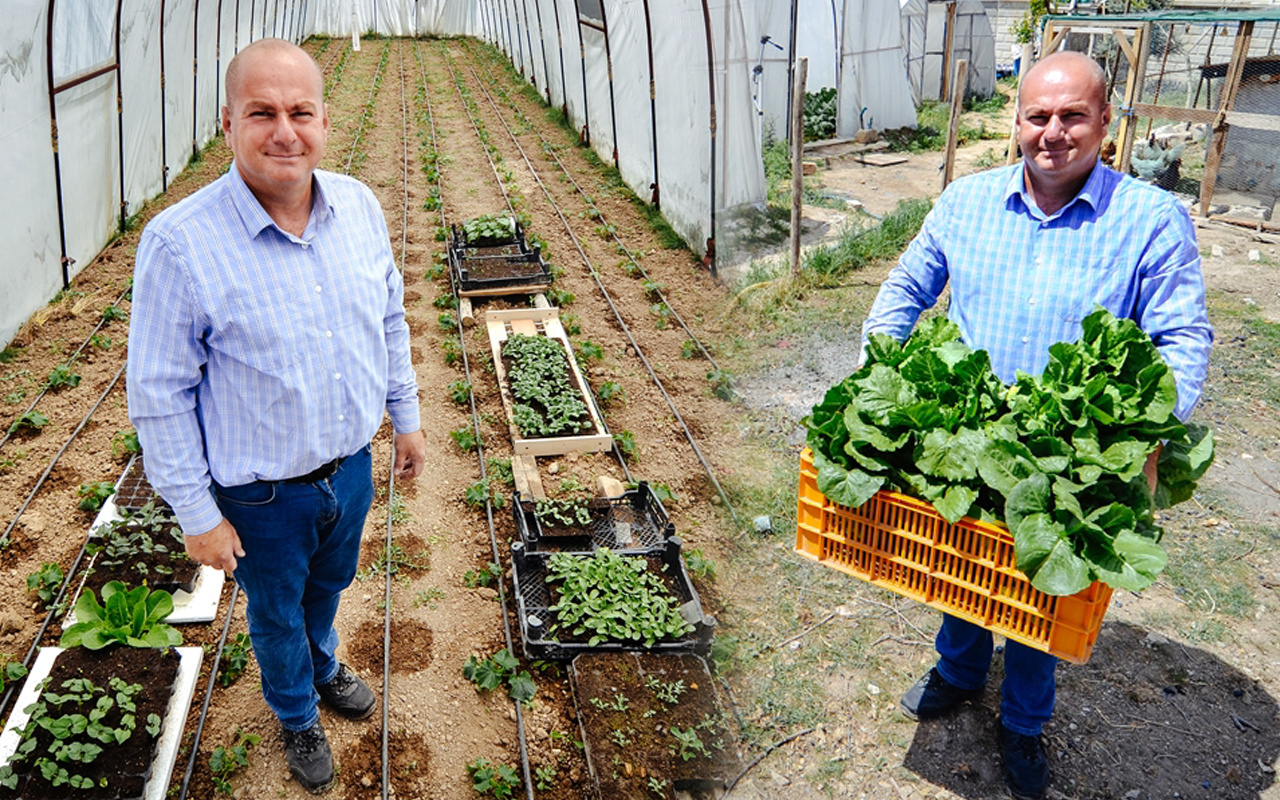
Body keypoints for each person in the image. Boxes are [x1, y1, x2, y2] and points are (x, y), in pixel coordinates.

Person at [861, 50, 1212, 799]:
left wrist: (1143, 434)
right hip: (967, 441)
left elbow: (1183, 340)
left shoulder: (1150, 220)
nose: (1054, 132)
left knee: (1043, 594)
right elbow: (905, 286)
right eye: (1038, 116)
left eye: (1073, 116)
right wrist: (875, 372)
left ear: (1106, 123)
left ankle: (1022, 722)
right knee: (957, 568)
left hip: (1067, 459)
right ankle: (957, 672)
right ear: (1016, 122)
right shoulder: (967, 201)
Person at [127, 38, 427, 794]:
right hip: (261, 498)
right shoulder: (180, 243)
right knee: (273, 613)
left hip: (349, 469)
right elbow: (159, 393)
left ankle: (323, 665)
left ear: (325, 120)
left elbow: (389, 318)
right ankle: (296, 715)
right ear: (228, 123)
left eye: (300, 111)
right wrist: (196, 513)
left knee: (328, 586)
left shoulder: (357, 206)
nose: (284, 131)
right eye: (262, 112)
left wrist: (407, 413)